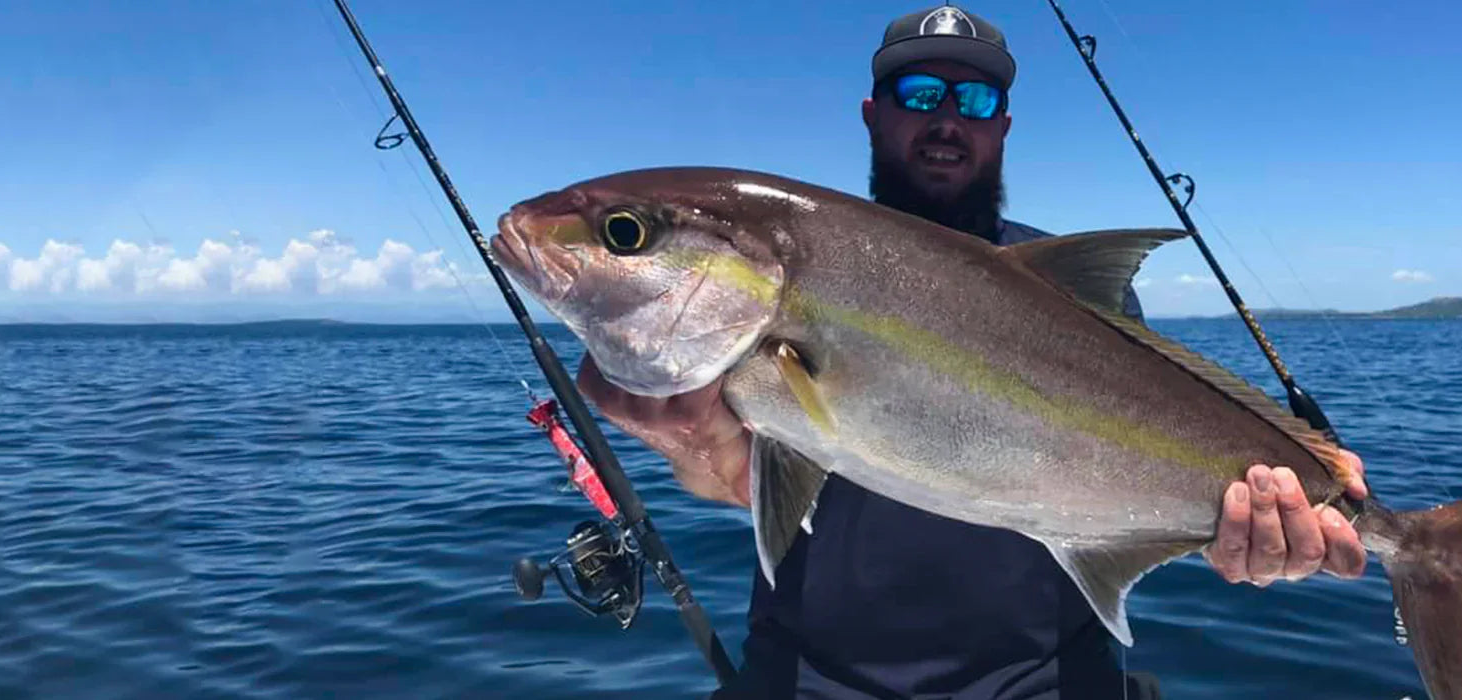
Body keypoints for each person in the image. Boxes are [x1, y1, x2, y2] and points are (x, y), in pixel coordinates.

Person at [576, 5, 1370, 698]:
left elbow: (1147, 472)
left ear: (1004, 124)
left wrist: (1280, 508)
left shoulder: (1081, 297)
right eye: (919, 94)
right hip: (811, 680)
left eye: (976, 97)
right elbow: (732, 479)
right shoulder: (753, 323)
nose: (947, 118)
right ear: (872, 113)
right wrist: (696, 459)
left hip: (1050, 684)